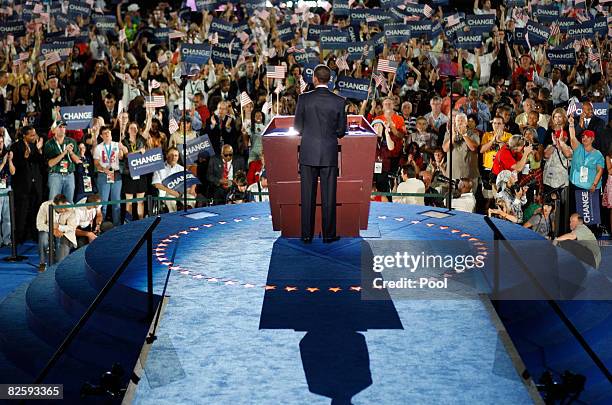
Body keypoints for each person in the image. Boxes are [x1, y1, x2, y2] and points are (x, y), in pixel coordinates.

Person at [294, 64, 347, 243]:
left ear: (314, 79)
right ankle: (329, 235)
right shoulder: (339, 101)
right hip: (329, 154)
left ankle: (306, 235)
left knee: (307, 196)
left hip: (308, 153)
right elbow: (341, 131)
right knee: (329, 196)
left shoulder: (303, 99)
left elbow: (297, 128)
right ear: (330, 80)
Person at [94, 126, 128, 226]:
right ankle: (100, 227)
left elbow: (124, 155)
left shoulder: (117, 144)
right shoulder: (98, 147)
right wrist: (104, 169)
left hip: (116, 174)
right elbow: (96, 163)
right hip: (103, 175)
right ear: (101, 136)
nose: (107, 134)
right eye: (105, 133)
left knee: (116, 202)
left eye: (108, 132)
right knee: (103, 203)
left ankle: (117, 226)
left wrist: (123, 149)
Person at [36, 194, 77, 272]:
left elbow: (72, 227)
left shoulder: (71, 208)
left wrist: (59, 227)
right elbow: (39, 224)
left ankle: (55, 254)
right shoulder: (45, 206)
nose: (64, 210)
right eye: (61, 208)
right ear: (54, 205)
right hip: (48, 231)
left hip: (64, 234)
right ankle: (42, 263)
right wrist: (52, 229)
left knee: (60, 263)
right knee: (42, 236)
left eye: (64, 207)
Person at [44, 120, 81, 202]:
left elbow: (78, 160)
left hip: (69, 175)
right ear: (54, 130)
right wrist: (64, 153)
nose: (62, 129)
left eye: (64, 127)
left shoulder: (71, 141)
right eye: (60, 127)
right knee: (53, 201)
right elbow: (50, 164)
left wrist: (71, 152)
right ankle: (53, 215)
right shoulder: (49, 144)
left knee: (69, 202)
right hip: (55, 175)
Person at [0, 136, 14, 246]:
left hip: (8, 188)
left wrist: (9, 161)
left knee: (7, 217)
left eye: (1, 142)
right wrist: (3, 163)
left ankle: (6, 239)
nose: (0, 144)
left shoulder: (6, 154)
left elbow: (13, 172)